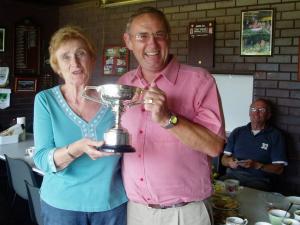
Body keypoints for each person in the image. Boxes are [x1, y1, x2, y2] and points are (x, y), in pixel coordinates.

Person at [118, 7, 225, 225]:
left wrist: (169, 119)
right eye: (142, 36)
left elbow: (214, 146)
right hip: (137, 212)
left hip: (185, 214)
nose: (152, 44)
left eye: (159, 35)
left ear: (169, 38)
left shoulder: (200, 81)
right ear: (128, 41)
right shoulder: (123, 84)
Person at [33, 26, 127, 225]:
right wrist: (77, 148)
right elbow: (41, 159)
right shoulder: (45, 100)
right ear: (57, 65)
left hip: (111, 205)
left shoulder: (113, 99)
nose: (74, 62)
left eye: (81, 54)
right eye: (65, 57)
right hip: (62, 207)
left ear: (92, 60)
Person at [221, 98, 288, 191]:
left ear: (268, 115)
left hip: (258, 181)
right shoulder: (237, 132)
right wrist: (229, 162)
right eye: (253, 109)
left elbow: (279, 169)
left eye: (261, 110)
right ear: (249, 113)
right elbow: (223, 159)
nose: (256, 113)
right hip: (232, 177)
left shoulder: (275, 135)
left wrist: (258, 165)